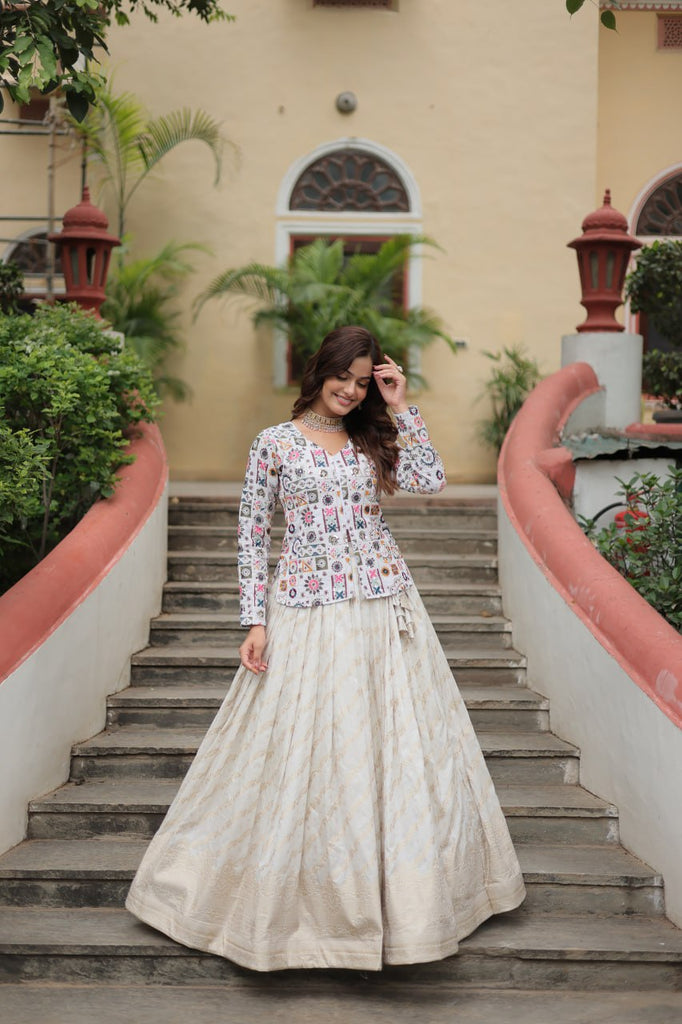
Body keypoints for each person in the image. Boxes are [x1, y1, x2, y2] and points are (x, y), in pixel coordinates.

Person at [126, 324, 526, 971]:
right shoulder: (274, 444)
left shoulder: (370, 437)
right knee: (299, 750)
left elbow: (430, 481)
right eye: (345, 376)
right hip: (305, 610)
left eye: (364, 380)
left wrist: (400, 406)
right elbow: (252, 536)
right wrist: (254, 621)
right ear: (320, 372)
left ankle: (409, 904)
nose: (351, 389)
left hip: (382, 607)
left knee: (395, 748)